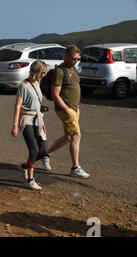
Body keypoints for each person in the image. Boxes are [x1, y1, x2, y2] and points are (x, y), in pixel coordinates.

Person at [47, 45, 90, 179]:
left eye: (78, 58)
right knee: (76, 136)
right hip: (66, 110)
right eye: (74, 58)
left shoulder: (73, 69)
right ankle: (75, 167)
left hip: (74, 108)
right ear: (66, 56)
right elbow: (55, 94)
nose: (76, 61)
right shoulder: (59, 72)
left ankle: (45, 154)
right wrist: (67, 109)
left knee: (68, 137)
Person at [11, 60, 50, 190]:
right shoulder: (23, 86)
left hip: (38, 119)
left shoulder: (37, 83)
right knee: (33, 149)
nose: (43, 75)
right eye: (42, 72)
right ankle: (30, 179)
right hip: (26, 119)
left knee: (44, 150)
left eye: (44, 73)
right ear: (36, 71)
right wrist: (15, 126)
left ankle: (24, 166)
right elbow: (17, 107)